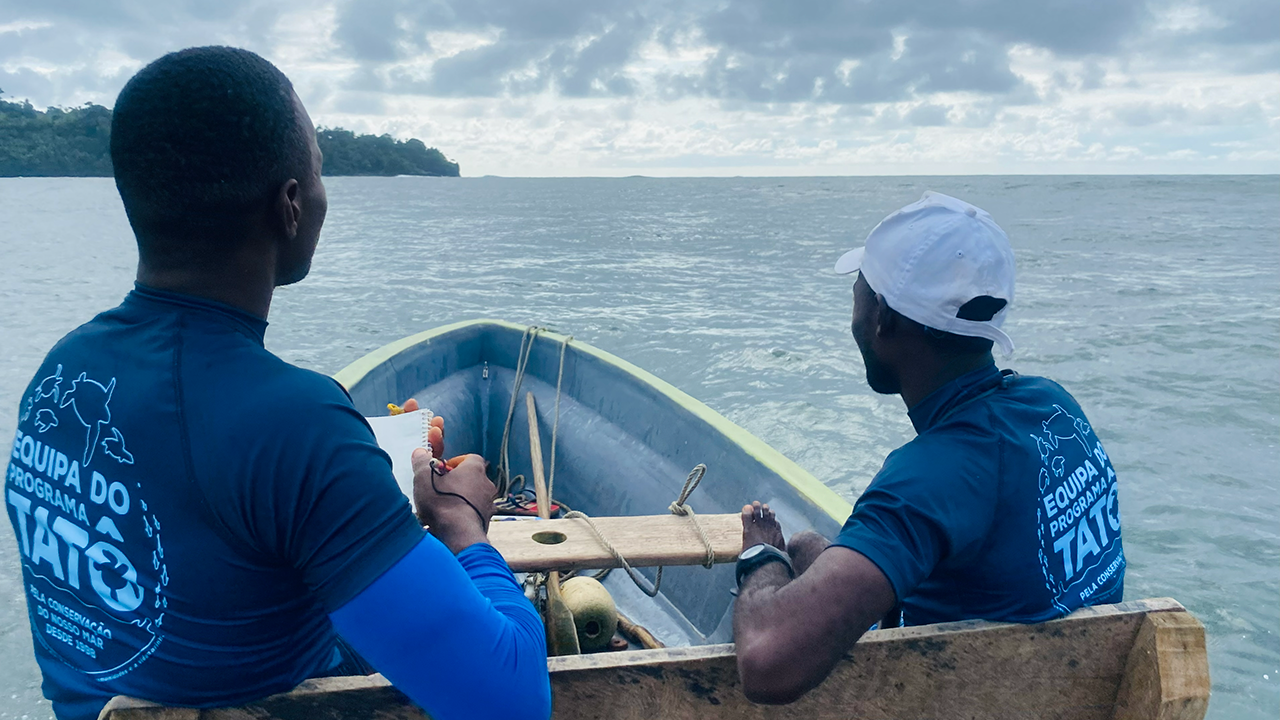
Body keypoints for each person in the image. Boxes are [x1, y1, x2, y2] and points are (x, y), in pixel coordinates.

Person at [3, 47, 549, 720]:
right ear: (290, 205)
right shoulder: (295, 424)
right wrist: (462, 523)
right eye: (317, 170)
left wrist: (353, 497)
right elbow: (512, 703)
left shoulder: (62, 371)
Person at [730, 192, 1125, 704]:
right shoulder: (1053, 406)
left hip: (957, 702)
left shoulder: (928, 478)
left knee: (779, 566)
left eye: (858, 291)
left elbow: (766, 665)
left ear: (881, 318)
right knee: (805, 546)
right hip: (1065, 696)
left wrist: (759, 556)